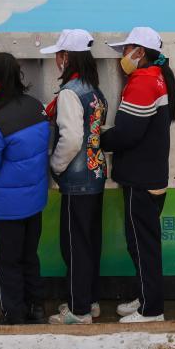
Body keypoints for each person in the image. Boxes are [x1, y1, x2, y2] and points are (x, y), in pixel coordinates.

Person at [101, 26, 175, 323]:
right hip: (151, 175)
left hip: (141, 176)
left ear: (140, 52)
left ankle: (152, 310)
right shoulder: (158, 77)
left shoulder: (143, 81)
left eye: (126, 50)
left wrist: (97, 139)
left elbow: (127, 133)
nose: (124, 56)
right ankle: (146, 296)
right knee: (141, 241)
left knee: (142, 243)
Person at [0, 52, 50, 325]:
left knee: (6, 263)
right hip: (34, 201)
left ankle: (13, 314)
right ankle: (36, 307)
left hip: (5, 208)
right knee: (29, 257)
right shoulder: (36, 106)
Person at [40, 30, 108, 325]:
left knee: (74, 246)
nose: (56, 59)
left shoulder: (70, 92)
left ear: (66, 57)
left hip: (77, 180)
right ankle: (89, 300)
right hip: (96, 174)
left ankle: (78, 310)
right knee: (90, 242)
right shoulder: (93, 89)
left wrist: (56, 166)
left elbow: (70, 139)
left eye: (59, 54)